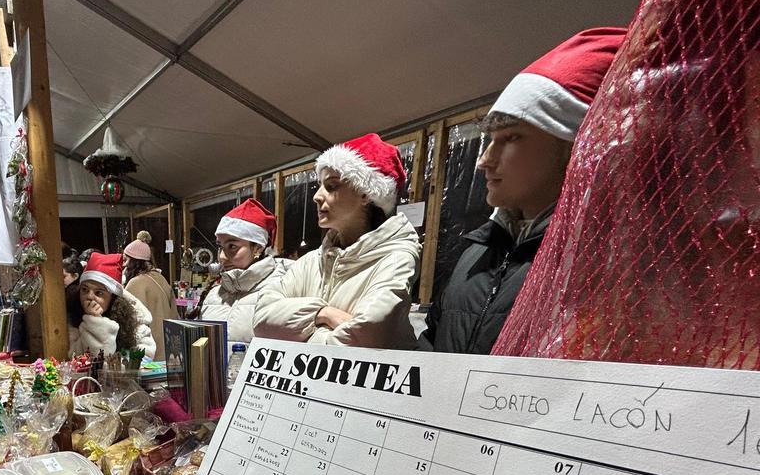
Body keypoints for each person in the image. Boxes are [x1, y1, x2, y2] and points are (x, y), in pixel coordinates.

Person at [420, 27, 626, 354]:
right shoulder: (477, 249)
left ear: (574, 145)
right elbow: (432, 337)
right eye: (489, 141)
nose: (484, 161)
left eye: (511, 138)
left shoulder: (603, 263)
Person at [253, 134, 421, 348]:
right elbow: (261, 320)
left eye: (331, 186)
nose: (317, 196)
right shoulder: (313, 261)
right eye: (320, 186)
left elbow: (364, 340)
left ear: (365, 194)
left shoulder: (395, 259)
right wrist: (323, 314)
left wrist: (296, 339)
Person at [194, 200, 291, 343]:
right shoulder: (214, 294)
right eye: (220, 246)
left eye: (232, 246)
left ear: (258, 248)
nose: (222, 257)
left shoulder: (283, 288)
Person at [67, 252, 156, 358]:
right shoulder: (71, 318)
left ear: (113, 298)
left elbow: (146, 356)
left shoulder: (134, 320)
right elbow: (75, 358)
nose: (89, 296)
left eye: (98, 293)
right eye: (84, 289)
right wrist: (94, 322)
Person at [122, 231, 178, 358]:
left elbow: (130, 325)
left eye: (125, 260)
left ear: (134, 261)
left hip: (150, 353)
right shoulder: (161, 278)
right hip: (169, 350)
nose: (123, 265)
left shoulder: (135, 283)